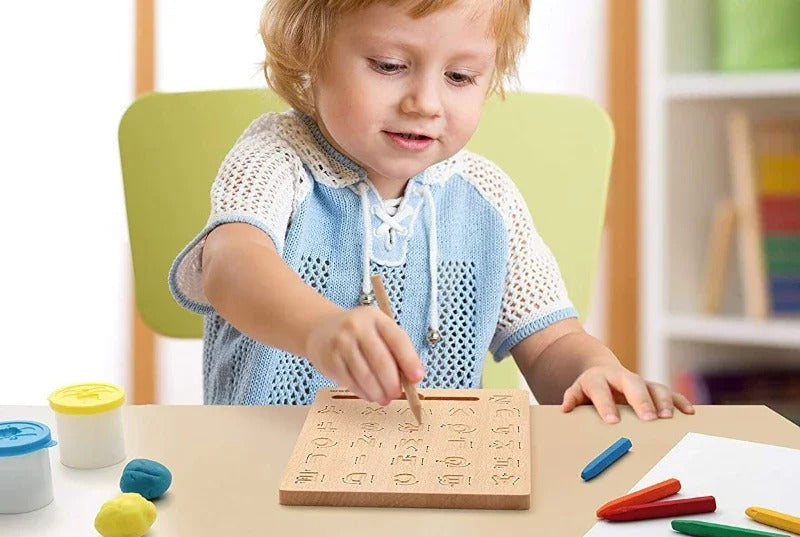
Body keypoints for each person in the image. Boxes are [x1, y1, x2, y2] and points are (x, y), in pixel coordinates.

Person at [169, 0, 694, 424]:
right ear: (309, 49)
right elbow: (230, 266)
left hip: (430, 487)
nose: (425, 102)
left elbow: (552, 341)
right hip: (261, 481)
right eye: (390, 66)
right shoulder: (275, 157)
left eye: (461, 76)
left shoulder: (488, 197)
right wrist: (317, 329)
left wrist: (596, 372)